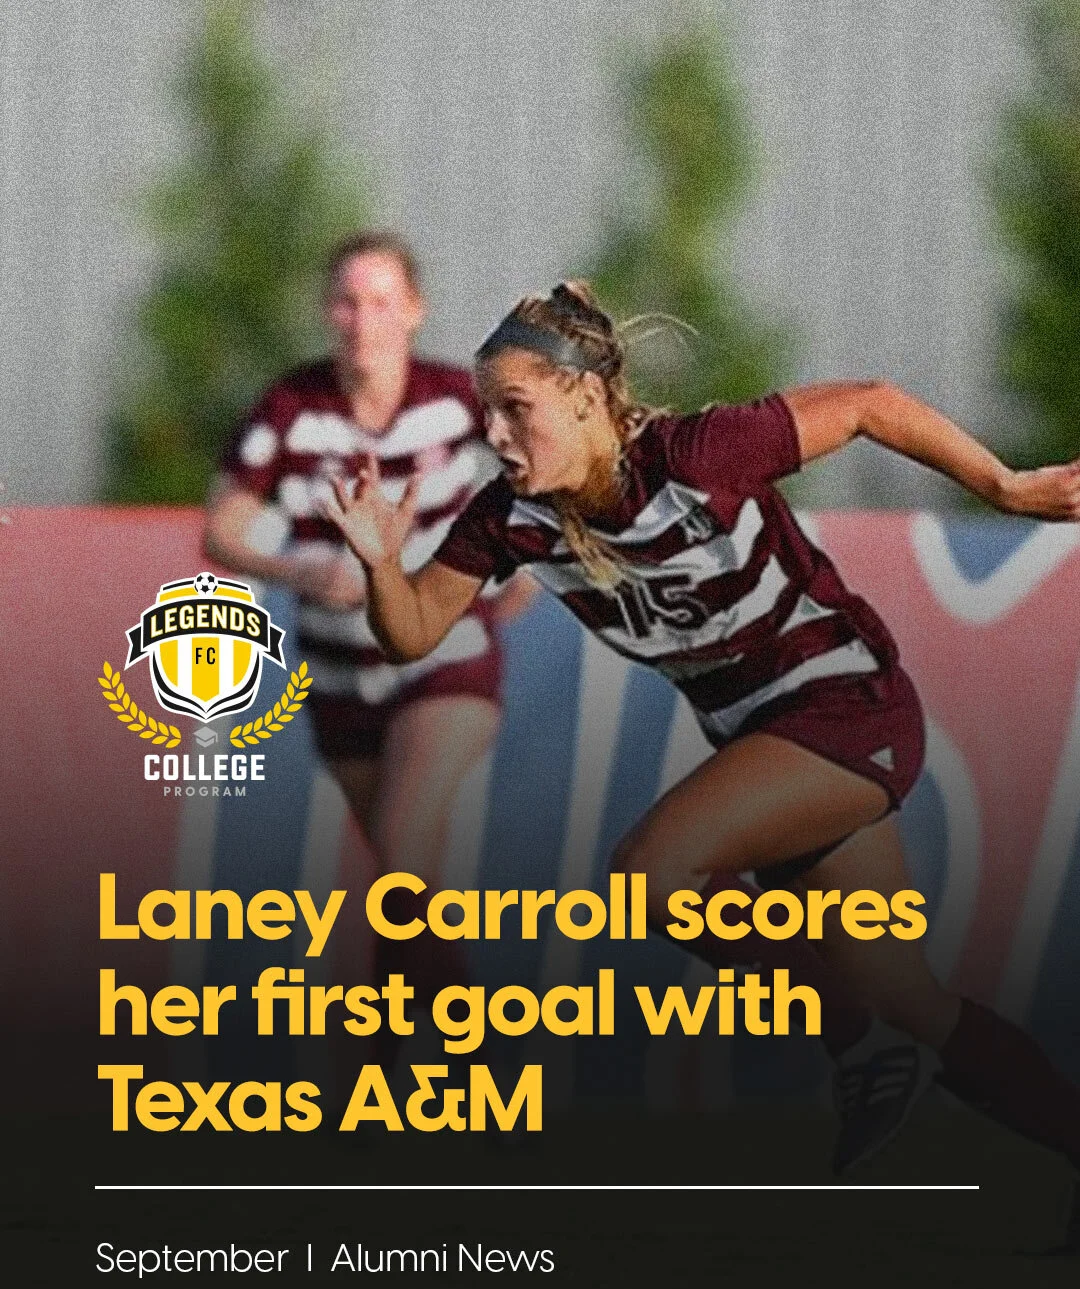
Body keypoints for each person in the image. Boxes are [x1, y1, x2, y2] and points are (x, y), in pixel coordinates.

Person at [321, 278, 1080, 1193]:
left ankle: (849, 1032)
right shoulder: (513, 518)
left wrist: (1003, 483)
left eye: (515, 409)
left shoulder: (697, 454)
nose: (495, 435)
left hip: (846, 710)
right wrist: (377, 562)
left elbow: (872, 404)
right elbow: (409, 630)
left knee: (647, 883)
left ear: (586, 396)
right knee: (913, 1004)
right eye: (488, 414)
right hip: (775, 742)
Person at [204, 231, 531, 1046]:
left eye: (381, 301)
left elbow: (543, 474)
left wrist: (519, 564)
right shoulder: (291, 409)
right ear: (327, 313)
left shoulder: (459, 400)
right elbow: (223, 532)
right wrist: (301, 570)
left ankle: (397, 1064)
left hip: (442, 661)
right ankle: (463, 1067)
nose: (362, 321)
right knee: (403, 879)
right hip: (340, 677)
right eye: (347, 302)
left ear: (414, 312)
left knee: (407, 849)